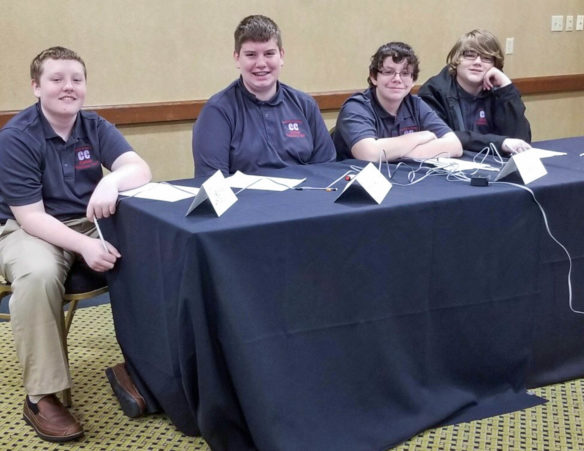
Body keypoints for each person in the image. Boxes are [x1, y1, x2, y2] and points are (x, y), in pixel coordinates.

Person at [0, 46, 152, 442]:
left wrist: (110, 180)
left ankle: (146, 368)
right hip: (28, 226)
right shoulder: (16, 137)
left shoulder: (94, 126)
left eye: (76, 79)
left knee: (158, 253)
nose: (69, 87)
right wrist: (84, 248)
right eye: (57, 79)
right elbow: (31, 216)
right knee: (38, 275)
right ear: (36, 87)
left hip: (89, 221)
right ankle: (42, 395)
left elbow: (139, 168)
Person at [192, 14, 336, 178]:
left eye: (269, 53)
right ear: (237, 59)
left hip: (303, 200)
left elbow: (326, 172)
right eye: (251, 55)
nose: (261, 64)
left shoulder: (305, 105)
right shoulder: (217, 111)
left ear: (281, 56)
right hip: (245, 203)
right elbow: (213, 186)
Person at [334, 41, 462, 162]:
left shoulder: (416, 105)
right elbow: (369, 154)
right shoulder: (356, 107)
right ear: (374, 77)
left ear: (413, 80)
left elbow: (455, 146)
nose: (397, 79)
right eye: (388, 72)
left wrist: (393, 153)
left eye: (405, 73)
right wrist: (419, 137)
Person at [418, 29, 532, 154]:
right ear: (456, 59)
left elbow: (521, 140)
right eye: (470, 55)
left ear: (495, 65)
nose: (478, 62)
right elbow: (441, 136)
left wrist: (506, 88)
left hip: (494, 165)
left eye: (486, 58)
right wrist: (500, 143)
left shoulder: (499, 91)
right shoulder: (433, 91)